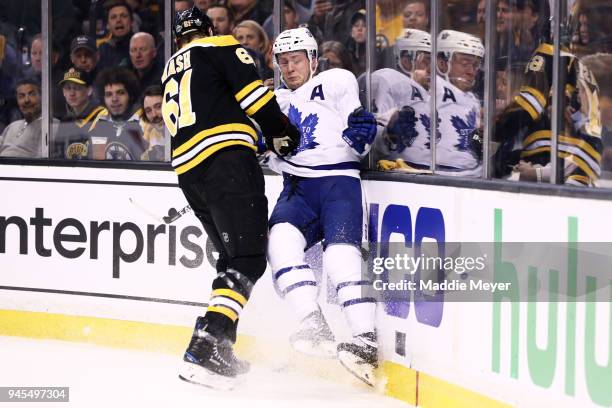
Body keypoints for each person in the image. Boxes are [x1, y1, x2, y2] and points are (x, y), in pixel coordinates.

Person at [161, 7, 299, 390]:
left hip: (189, 171)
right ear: (208, 29)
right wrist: (280, 130)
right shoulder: (220, 46)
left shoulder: (172, 65)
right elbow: (254, 97)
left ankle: (220, 345)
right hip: (226, 162)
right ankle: (206, 344)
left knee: (230, 257)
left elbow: (210, 108)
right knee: (249, 258)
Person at [267, 27, 378, 386]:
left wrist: (361, 130)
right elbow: (267, 149)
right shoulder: (277, 102)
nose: (290, 68)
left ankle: (365, 339)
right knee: (280, 244)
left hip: (337, 184)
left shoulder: (335, 80)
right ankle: (313, 324)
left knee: (340, 259)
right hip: (297, 188)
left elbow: (357, 122)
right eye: (283, 62)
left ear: (313, 59)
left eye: (296, 60)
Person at [371, 29, 432, 172]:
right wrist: (389, 134)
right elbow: (369, 142)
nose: (432, 69)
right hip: (398, 177)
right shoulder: (388, 82)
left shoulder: (438, 95)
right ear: (405, 61)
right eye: (426, 61)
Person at [435, 30, 485, 177]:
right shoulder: (432, 89)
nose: (472, 72)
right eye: (465, 64)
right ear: (442, 64)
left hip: (472, 176)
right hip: (439, 176)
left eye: (475, 66)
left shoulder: (472, 99)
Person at [89, 67, 146, 160]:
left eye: (120, 93)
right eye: (109, 94)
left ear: (131, 95)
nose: (114, 99)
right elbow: (98, 162)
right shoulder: (100, 123)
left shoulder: (144, 122)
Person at [52, 67, 104, 159]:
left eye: (77, 88)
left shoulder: (102, 117)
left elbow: (100, 158)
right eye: (68, 88)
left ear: (89, 91)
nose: (72, 93)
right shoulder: (65, 121)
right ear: (63, 92)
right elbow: (58, 156)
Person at [0, 77, 43, 157]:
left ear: (42, 97)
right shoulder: (12, 126)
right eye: (21, 96)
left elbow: (44, 164)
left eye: (32, 94)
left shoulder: (49, 125)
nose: (26, 100)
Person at [98, 0, 135, 70]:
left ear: (132, 22)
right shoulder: (102, 49)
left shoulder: (141, 45)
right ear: (107, 25)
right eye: (113, 17)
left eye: (123, 16)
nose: (118, 20)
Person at [139, 85, 167, 161]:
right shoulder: (147, 128)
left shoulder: (183, 130)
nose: (154, 115)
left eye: (158, 107)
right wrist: (147, 132)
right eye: (148, 111)